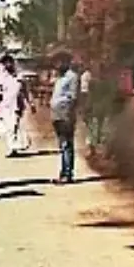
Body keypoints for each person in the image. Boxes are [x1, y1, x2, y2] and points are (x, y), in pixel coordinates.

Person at [50, 55, 80, 185]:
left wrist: (68, 115)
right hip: (57, 115)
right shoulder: (59, 78)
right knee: (62, 145)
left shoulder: (72, 77)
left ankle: (67, 174)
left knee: (66, 144)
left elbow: (73, 98)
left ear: (66, 62)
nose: (57, 65)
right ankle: (63, 172)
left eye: (59, 62)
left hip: (65, 115)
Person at [0, 55, 30, 157]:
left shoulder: (20, 76)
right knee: (8, 127)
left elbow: (25, 91)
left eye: (9, 62)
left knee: (14, 125)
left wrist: (30, 102)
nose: (7, 65)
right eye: (5, 63)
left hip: (17, 105)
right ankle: (12, 147)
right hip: (5, 105)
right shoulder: (1, 77)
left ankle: (14, 147)